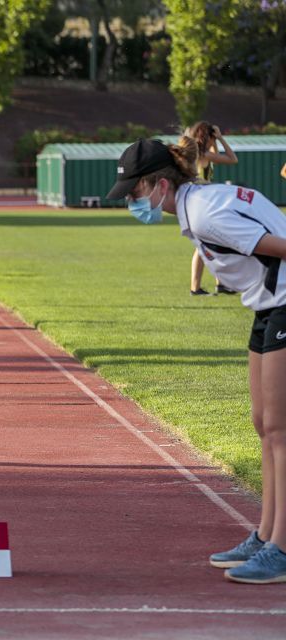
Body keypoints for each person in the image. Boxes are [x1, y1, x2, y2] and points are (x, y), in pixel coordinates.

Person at [107, 138, 286, 584]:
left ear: (159, 185)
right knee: (264, 423)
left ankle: (283, 547)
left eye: (135, 192)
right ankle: (266, 535)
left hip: (285, 303)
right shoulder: (198, 206)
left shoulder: (207, 212)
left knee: (282, 431)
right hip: (268, 307)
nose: (133, 202)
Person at [181, 122, 238, 296]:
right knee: (203, 245)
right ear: (208, 136)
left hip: (199, 202)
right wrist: (220, 137)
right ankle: (195, 288)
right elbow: (232, 159)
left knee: (216, 243)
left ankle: (220, 283)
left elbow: (216, 155)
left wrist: (214, 140)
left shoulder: (198, 154)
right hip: (203, 202)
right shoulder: (203, 155)